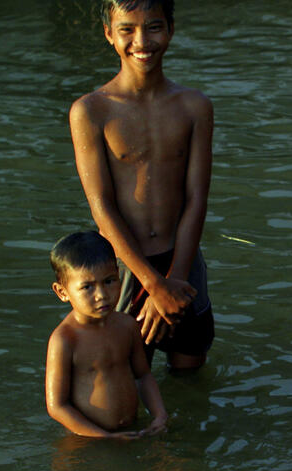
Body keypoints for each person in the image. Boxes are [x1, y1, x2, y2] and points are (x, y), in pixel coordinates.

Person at [70, 0, 214, 370]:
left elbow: (197, 197)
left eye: (153, 27)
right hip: (123, 266)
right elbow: (101, 206)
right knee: (125, 376)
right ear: (108, 34)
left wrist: (175, 278)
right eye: (127, 29)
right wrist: (153, 284)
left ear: (170, 29)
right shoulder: (91, 111)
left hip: (182, 261)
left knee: (190, 372)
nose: (141, 40)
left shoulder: (194, 106)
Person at [45, 231, 168, 438]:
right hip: (88, 439)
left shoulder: (127, 326)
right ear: (62, 292)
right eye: (87, 287)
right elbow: (57, 406)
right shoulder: (65, 339)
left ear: (119, 275)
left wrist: (159, 414)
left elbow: (143, 376)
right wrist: (103, 437)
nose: (102, 295)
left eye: (109, 281)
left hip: (132, 430)